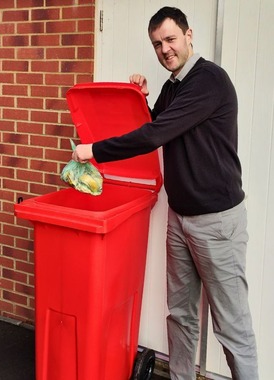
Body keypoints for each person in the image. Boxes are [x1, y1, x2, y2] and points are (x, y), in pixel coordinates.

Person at [72, 6, 259, 380]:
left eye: (170, 39)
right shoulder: (174, 87)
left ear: (189, 36)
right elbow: (153, 124)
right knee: (181, 316)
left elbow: (153, 136)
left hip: (217, 220)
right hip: (180, 216)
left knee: (232, 329)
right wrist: (137, 97)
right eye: (157, 44)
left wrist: (93, 150)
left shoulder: (209, 81)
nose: (165, 50)